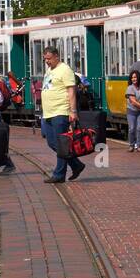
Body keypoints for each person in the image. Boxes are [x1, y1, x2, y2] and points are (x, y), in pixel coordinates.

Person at [39, 46, 84, 184]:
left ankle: (59, 174)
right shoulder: (50, 70)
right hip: (48, 113)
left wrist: (73, 111)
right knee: (52, 142)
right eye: (45, 59)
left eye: (49, 59)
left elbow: (71, 91)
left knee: (60, 143)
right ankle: (76, 164)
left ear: (57, 56)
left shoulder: (65, 70)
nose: (47, 61)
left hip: (61, 111)